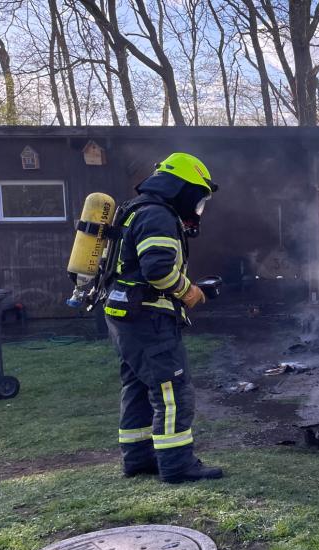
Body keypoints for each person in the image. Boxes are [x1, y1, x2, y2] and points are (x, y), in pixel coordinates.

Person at [104, 152, 223, 482]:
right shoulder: (157, 215)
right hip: (148, 318)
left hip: (125, 316)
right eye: (197, 198)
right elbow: (157, 270)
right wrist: (190, 292)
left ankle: (139, 458)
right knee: (173, 391)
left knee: (139, 388)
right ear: (182, 188)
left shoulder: (134, 210)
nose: (197, 207)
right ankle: (176, 465)